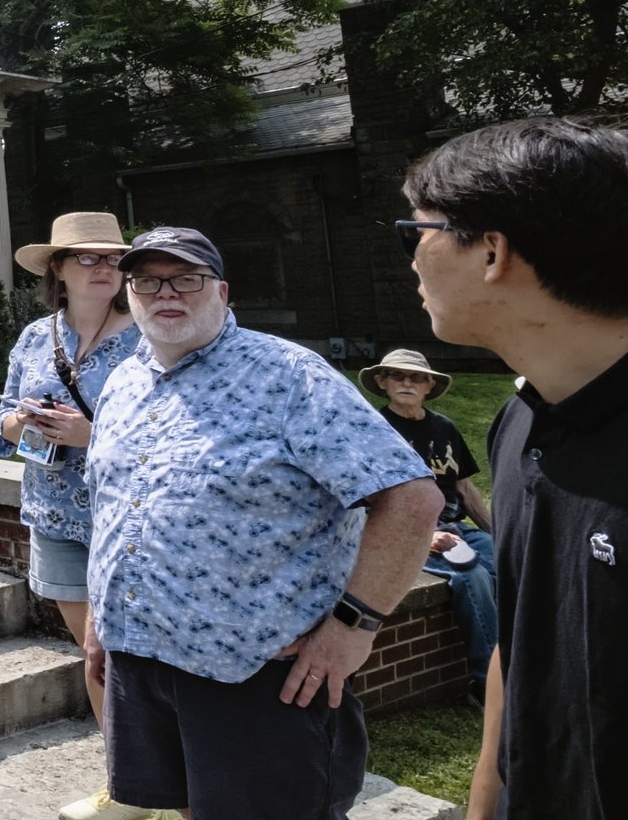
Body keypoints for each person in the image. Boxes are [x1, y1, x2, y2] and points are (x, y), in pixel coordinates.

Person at [81, 226, 443, 820]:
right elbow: (117, 500)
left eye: (186, 279)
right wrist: (101, 614)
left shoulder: (289, 377)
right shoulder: (123, 381)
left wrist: (354, 625)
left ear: (221, 291)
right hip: (139, 658)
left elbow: (411, 500)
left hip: (258, 673)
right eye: (147, 280)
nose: (165, 292)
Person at [399, 115, 628, 820]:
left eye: (416, 234)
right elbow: (518, 643)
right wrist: (484, 801)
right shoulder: (521, 420)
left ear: (492, 251)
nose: (410, 261)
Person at [0, 211, 148, 820]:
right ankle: (126, 783)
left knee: (125, 654)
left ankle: (158, 777)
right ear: (57, 269)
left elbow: (178, 427)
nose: (105, 267)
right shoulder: (35, 338)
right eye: (89, 257)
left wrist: (93, 432)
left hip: (128, 520)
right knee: (93, 654)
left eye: (113, 258)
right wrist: (22, 421)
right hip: (56, 515)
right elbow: (1, 416)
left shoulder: (149, 336)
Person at [358, 348, 497, 692]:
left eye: (416, 377)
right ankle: (488, 683)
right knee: (473, 576)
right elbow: (363, 499)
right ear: (382, 382)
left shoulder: (444, 428)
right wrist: (423, 536)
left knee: (516, 561)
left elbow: (464, 488)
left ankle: (525, 658)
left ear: (429, 386)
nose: (407, 382)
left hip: (456, 526)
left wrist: (502, 533)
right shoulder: (374, 432)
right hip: (405, 532)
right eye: (397, 376)